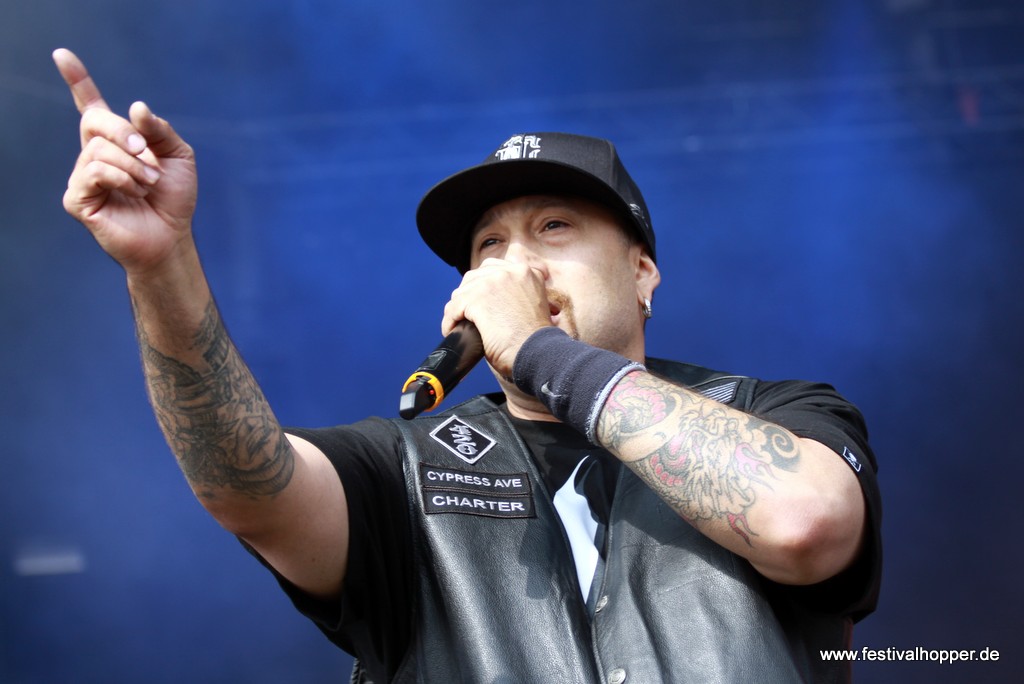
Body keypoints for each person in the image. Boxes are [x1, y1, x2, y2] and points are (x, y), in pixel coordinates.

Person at [55, 47, 881, 683]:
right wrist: (160, 265)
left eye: (554, 227)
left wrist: (539, 351)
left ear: (642, 273)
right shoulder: (402, 466)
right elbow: (242, 484)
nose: (514, 264)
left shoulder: (768, 412)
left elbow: (804, 522)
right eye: (489, 246)